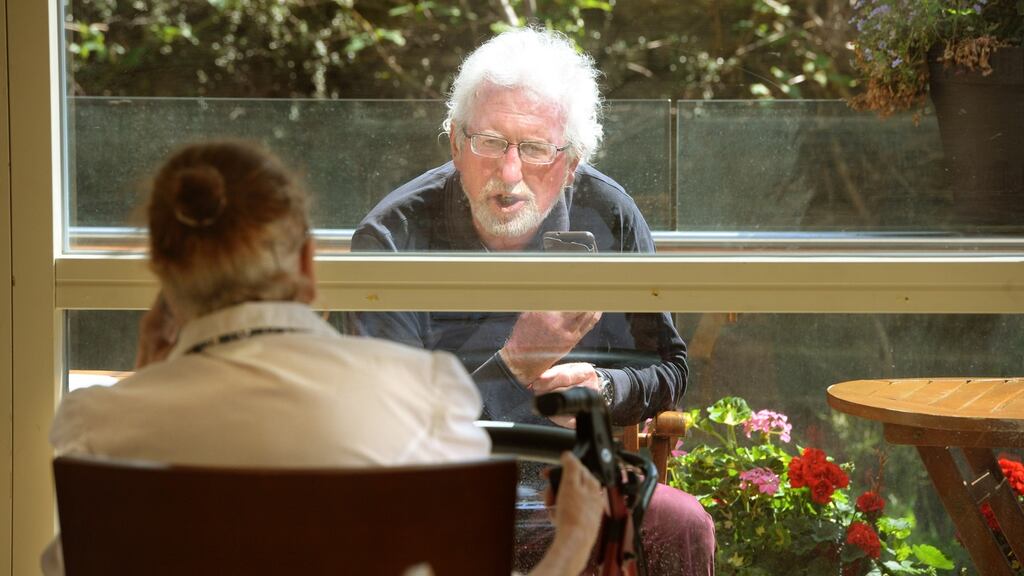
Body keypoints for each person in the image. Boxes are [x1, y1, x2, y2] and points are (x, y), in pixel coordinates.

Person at [42, 140, 603, 576]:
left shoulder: (98, 423)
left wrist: (150, 380)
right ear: (307, 266)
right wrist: (573, 544)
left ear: (163, 275)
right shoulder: (419, 394)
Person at [350, 27, 716, 575]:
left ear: (571, 163)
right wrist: (516, 363)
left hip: (578, 483)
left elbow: (670, 368)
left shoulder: (608, 214)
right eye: (489, 142)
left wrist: (607, 388)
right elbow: (393, 431)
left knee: (680, 523)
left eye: (535, 149)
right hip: (442, 490)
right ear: (455, 143)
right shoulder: (393, 237)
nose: (509, 172)